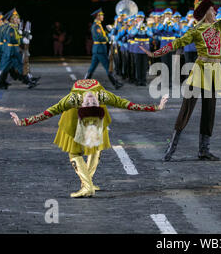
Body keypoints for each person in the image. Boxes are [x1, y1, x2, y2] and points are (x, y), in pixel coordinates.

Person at [140, 0, 221, 162]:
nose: (215, 12)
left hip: (214, 71)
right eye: (212, 10)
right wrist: (155, 54)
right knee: (186, 109)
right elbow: (177, 43)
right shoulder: (196, 30)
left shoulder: (220, 26)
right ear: (205, 12)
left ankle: (204, 150)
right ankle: (171, 147)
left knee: (210, 110)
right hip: (200, 69)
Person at [10, 79, 168, 198]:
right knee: (74, 152)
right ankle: (88, 184)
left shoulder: (103, 96)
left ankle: (87, 184)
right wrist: (23, 122)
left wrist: (157, 107)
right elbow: (49, 112)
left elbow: (128, 104)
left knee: (94, 148)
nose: (91, 100)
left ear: (100, 103)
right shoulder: (72, 100)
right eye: (88, 102)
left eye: (93, 101)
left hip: (95, 120)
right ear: (81, 105)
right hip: (75, 121)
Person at [84, 8, 123, 89]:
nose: (103, 16)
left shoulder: (99, 25)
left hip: (99, 49)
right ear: (98, 16)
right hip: (100, 49)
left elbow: (105, 34)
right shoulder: (96, 26)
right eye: (101, 15)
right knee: (108, 67)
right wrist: (109, 38)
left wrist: (111, 31)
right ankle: (115, 83)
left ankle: (84, 83)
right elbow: (100, 37)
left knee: (92, 68)